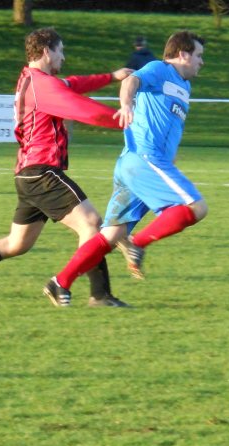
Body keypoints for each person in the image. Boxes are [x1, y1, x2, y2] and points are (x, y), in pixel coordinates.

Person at [0, 27, 133, 308]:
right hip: (43, 172)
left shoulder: (31, 79)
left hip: (26, 174)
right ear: (47, 51)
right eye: (60, 50)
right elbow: (82, 109)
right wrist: (124, 119)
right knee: (91, 225)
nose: (63, 56)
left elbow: (73, 83)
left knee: (17, 243)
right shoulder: (43, 85)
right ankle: (99, 295)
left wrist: (111, 77)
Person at [43, 30, 207, 305]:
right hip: (144, 159)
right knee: (195, 207)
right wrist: (126, 104)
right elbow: (131, 81)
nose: (202, 62)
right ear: (183, 54)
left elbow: (170, 126)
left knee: (110, 234)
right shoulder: (159, 68)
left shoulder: (185, 87)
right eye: (199, 56)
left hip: (140, 166)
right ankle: (137, 244)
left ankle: (59, 282)